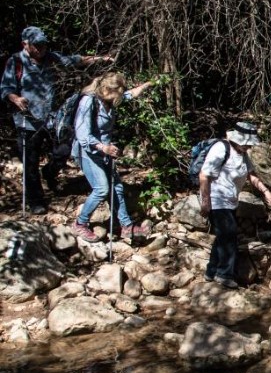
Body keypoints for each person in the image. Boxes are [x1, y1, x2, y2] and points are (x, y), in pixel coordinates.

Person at [1, 26, 113, 213]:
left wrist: (101, 59)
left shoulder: (51, 58)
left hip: (51, 119)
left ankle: (50, 172)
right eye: (37, 45)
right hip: (26, 121)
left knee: (64, 149)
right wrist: (15, 98)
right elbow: (5, 88)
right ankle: (36, 201)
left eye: (44, 44)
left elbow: (75, 60)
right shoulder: (16, 62)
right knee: (30, 162)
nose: (41, 48)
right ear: (25, 44)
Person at [70, 73, 155, 242]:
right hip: (88, 152)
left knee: (117, 188)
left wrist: (148, 84)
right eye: (118, 93)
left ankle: (126, 226)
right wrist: (103, 147)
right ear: (107, 89)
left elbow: (129, 95)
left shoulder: (109, 98)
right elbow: (82, 134)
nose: (120, 98)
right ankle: (80, 224)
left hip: (105, 152)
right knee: (102, 188)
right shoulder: (88, 102)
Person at [199, 122, 271, 288]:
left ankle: (211, 271)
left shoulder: (242, 153)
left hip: (230, 202)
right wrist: (205, 202)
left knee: (223, 236)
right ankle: (224, 274)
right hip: (216, 200)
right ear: (239, 140)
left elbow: (252, 176)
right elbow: (204, 175)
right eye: (248, 143)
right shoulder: (220, 149)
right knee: (230, 235)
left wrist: (266, 192)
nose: (250, 146)